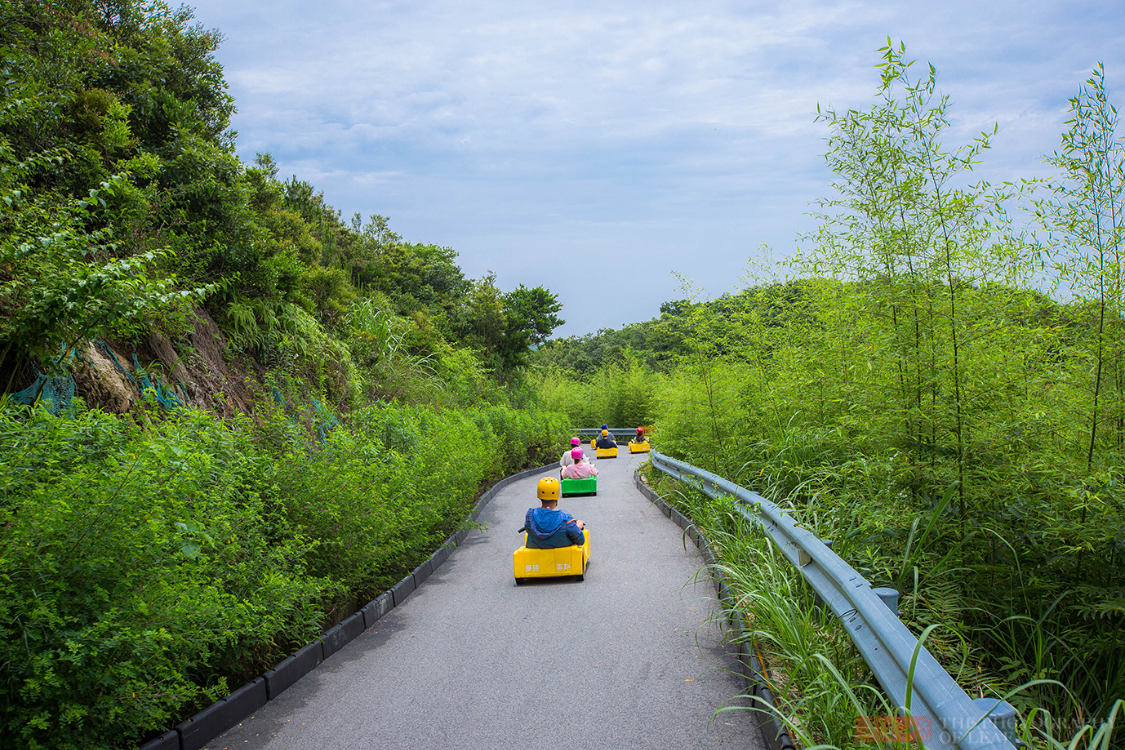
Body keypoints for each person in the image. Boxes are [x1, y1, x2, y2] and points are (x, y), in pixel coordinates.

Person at [524, 477, 585, 549]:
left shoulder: (530, 516)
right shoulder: (566, 518)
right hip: (562, 557)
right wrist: (577, 527)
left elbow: (528, 530)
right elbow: (580, 540)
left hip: (535, 552)